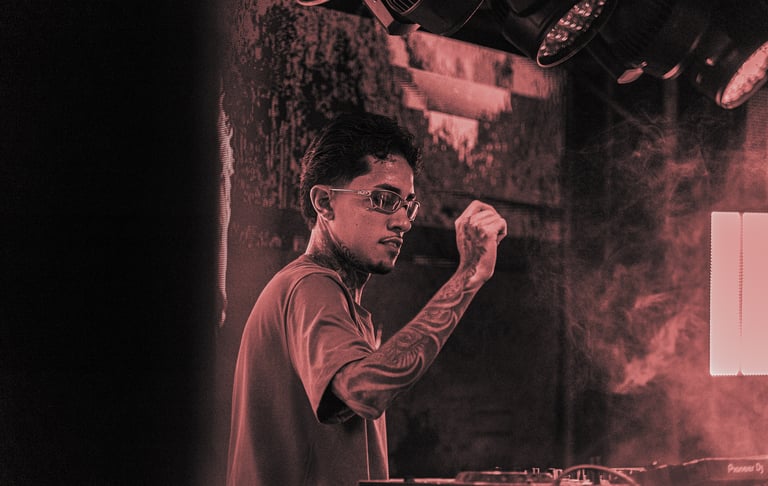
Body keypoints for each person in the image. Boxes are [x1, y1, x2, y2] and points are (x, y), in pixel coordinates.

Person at [226, 112, 507, 486]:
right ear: (325, 203)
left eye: (407, 204)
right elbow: (363, 390)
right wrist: (468, 274)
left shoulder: (339, 303)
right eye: (384, 199)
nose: (403, 221)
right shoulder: (308, 285)